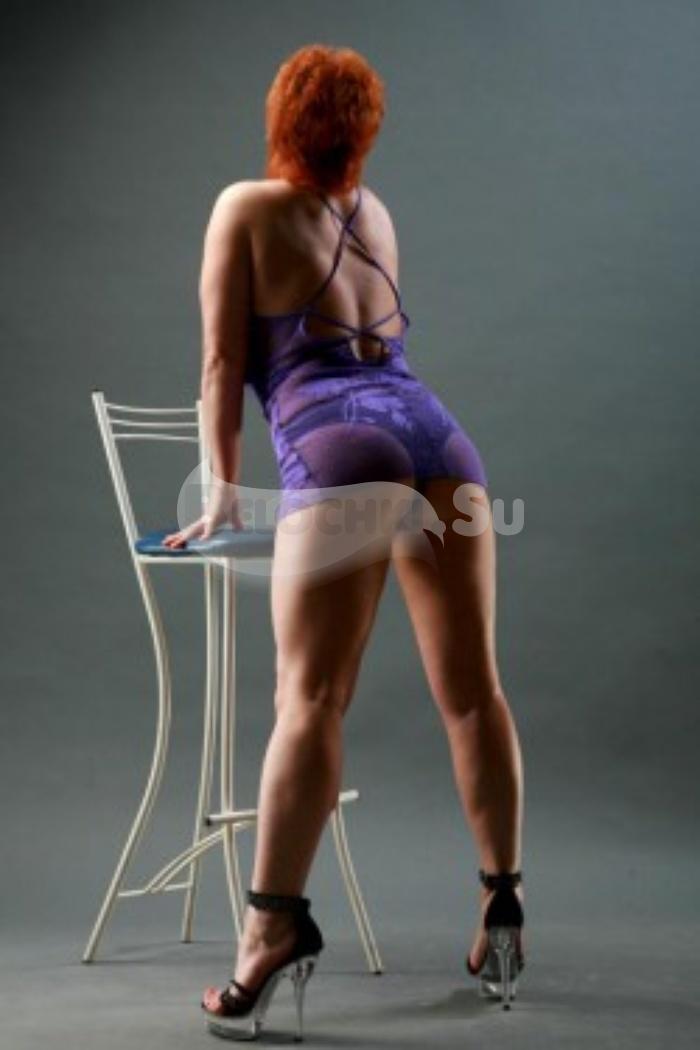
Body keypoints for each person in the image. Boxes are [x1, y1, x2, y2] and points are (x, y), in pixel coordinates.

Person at [163, 42, 525, 1039]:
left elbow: (222, 364)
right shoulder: (376, 213)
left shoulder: (245, 207)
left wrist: (224, 492)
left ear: (282, 118)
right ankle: (501, 901)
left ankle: (269, 931)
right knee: (474, 692)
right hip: (439, 442)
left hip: (341, 449)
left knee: (311, 698)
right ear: (364, 131)